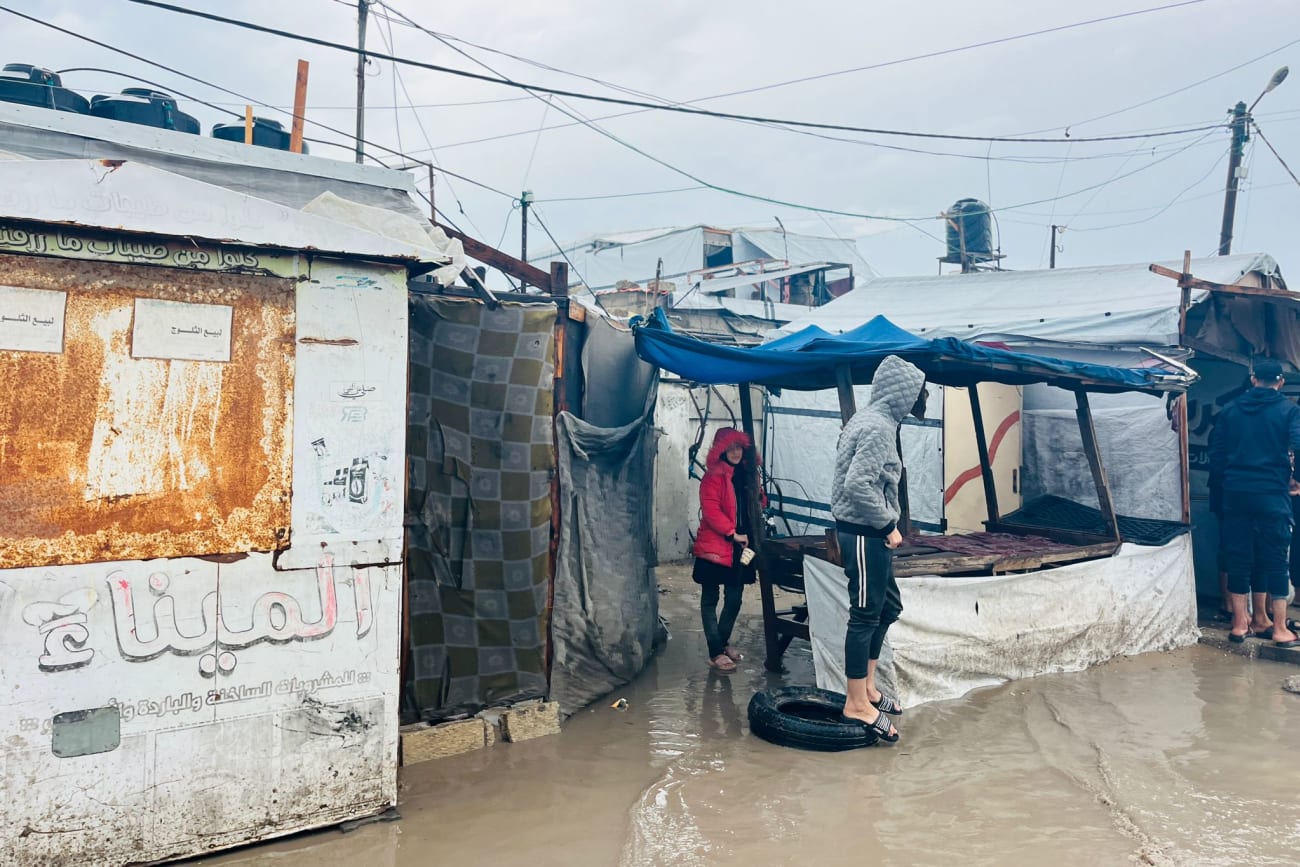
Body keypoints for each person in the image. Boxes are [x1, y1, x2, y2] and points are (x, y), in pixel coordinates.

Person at [831, 355, 927, 744]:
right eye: (920, 393)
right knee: (866, 614)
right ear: (903, 394)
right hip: (864, 532)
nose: (924, 400)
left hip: (869, 532)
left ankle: (868, 686)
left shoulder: (875, 421)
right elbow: (858, 485)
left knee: (888, 606)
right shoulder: (877, 428)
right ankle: (855, 701)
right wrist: (887, 525)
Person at [1208, 359, 1300, 646]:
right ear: (1281, 382)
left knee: (1238, 557)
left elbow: (1217, 454)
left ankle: (1239, 625)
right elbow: (1298, 445)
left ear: (1252, 379)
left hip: (1236, 493)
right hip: (1272, 493)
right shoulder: (1289, 410)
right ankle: (1280, 629)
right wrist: (1296, 480)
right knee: (1275, 559)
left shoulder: (1231, 410)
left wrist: (1230, 482)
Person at [692, 427, 760, 672]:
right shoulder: (713, 477)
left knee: (734, 598)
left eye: (739, 447)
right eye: (730, 448)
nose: (735, 452)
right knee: (710, 598)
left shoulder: (746, 475)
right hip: (717, 544)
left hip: (741, 546)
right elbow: (711, 511)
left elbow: (759, 503)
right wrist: (732, 533)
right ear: (721, 450)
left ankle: (720, 643)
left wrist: (757, 491)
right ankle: (715, 651)